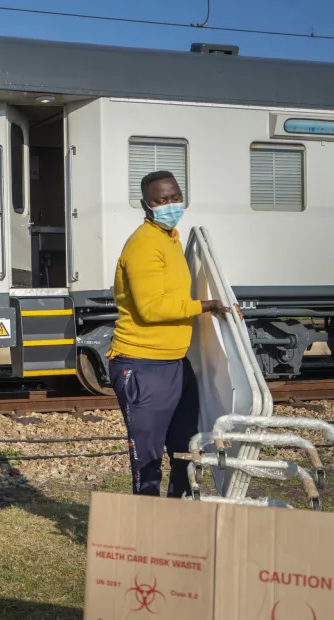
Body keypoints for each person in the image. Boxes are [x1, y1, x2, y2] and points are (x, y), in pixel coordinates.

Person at [107, 171, 232, 498]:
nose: (170, 204)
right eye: (161, 200)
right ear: (146, 205)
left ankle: (176, 523)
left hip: (174, 363)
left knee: (186, 451)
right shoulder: (144, 245)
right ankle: (146, 531)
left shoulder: (170, 239)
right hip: (143, 365)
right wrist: (206, 306)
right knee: (147, 461)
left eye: (175, 197)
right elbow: (151, 308)